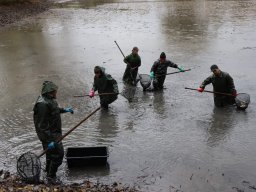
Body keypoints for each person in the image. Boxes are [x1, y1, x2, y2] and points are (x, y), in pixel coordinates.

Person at [33, 81, 74, 184]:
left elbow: (54, 110)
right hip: (49, 135)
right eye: (55, 91)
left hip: (54, 132)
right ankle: (51, 177)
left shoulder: (49, 99)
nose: (57, 93)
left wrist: (65, 110)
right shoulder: (42, 104)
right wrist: (49, 140)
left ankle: (48, 171)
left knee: (50, 154)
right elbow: (41, 125)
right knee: (59, 155)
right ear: (50, 92)